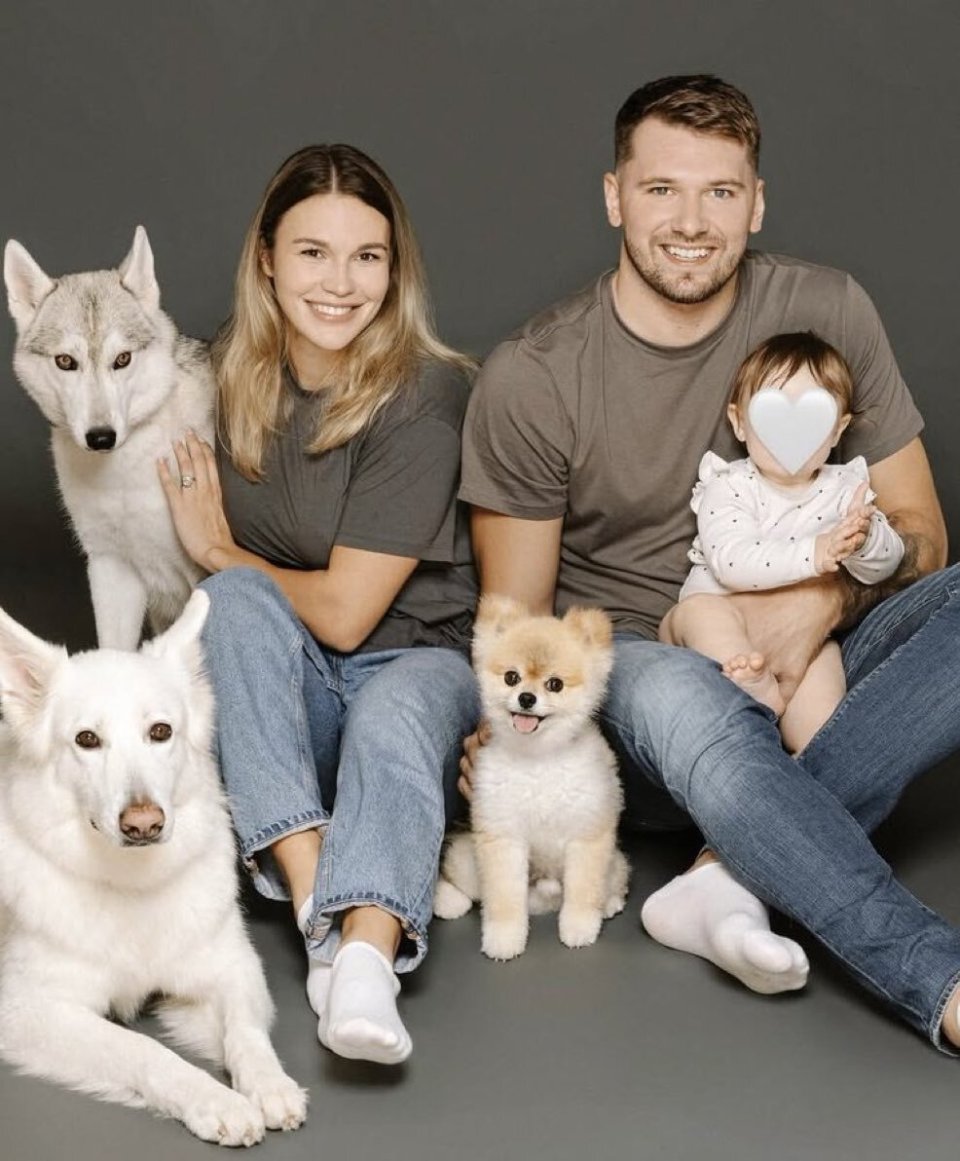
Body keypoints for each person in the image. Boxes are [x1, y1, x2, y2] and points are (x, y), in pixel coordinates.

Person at [459, 74, 960, 1048]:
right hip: (652, 676)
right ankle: (940, 981)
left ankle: (726, 875)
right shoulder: (537, 375)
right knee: (690, 694)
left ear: (756, 202)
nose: (691, 222)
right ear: (615, 197)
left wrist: (817, 604)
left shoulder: (828, 308)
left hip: (823, 663)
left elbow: (924, 533)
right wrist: (499, 736)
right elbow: (518, 627)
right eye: (662, 190)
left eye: (720, 192)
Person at [159, 143, 479, 1065]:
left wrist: (218, 548)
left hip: (414, 662)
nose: (341, 284)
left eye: (366, 256)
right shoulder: (220, 375)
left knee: (388, 707)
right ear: (266, 258)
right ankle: (317, 915)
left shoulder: (425, 393)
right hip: (288, 705)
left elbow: (344, 614)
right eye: (313, 253)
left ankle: (369, 965)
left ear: (394, 268)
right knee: (231, 605)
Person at [659, 331, 904, 753]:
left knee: (824, 684)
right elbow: (731, 561)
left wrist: (865, 540)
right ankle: (753, 688)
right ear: (739, 421)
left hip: (802, 633)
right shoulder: (729, 485)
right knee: (698, 615)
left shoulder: (845, 490)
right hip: (725, 614)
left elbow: (889, 563)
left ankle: (818, 754)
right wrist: (815, 553)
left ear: (837, 430)